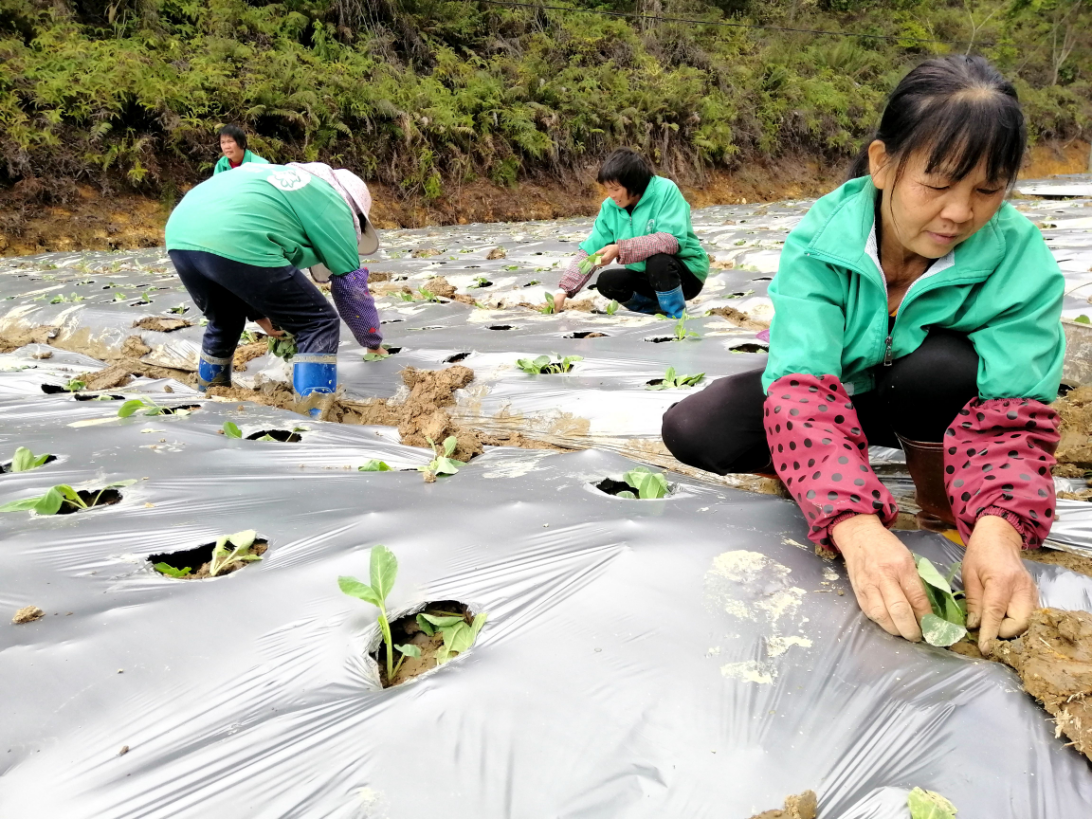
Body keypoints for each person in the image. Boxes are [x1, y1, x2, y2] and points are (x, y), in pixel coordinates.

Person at [661, 55, 1065, 653]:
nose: (959, 213)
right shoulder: (823, 241)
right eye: (937, 184)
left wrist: (1002, 531)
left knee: (937, 368)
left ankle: (943, 501)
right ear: (883, 164)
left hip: (940, 406)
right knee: (696, 428)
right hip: (845, 397)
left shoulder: (1019, 258)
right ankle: (834, 476)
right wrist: (852, 524)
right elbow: (801, 386)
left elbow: (1013, 410)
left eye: (986, 191)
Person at [165, 162, 386, 414]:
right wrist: (372, 343)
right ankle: (313, 415)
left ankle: (210, 398)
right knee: (318, 322)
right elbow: (351, 287)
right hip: (238, 236)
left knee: (225, 320)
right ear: (355, 214)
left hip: (181, 233)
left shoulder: (287, 181)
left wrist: (258, 314)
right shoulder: (333, 205)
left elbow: (241, 269)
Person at [552, 148, 709, 318]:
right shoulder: (610, 207)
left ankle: (676, 316)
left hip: (685, 274)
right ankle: (653, 311)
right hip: (647, 278)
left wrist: (620, 249)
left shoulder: (665, 191)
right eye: (608, 189)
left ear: (633, 183)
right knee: (607, 282)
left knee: (658, 260)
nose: (611, 195)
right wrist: (564, 289)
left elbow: (670, 241)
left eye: (616, 189)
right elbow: (591, 251)